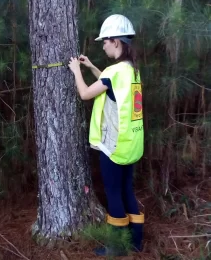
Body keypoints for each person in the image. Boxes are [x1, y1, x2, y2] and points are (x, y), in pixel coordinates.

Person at [68, 14, 144, 256]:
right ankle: (136, 242)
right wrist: (90, 66)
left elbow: (85, 94)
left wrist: (76, 71)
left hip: (113, 146)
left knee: (113, 195)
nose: (103, 45)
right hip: (131, 144)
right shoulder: (131, 70)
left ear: (116, 42)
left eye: (105, 41)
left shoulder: (115, 71)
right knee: (127, 191)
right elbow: (109, 86)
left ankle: (116, 248)